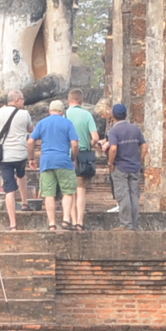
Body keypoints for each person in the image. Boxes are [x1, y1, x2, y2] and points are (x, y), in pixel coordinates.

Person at [31, 96, 80, 231]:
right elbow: (75, 144)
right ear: (62, 111)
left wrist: (31, 158)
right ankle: (66, 220)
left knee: (48, 193)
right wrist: (73, 158)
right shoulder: (67, 123)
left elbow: (30, 141)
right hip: (63, 160)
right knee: (68, 192)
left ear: (49, 111)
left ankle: (52, 223)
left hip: (46, 160)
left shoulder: (42, 123)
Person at [0, 89, 33, 231]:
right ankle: (24, 202)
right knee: (21, 174)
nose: (24, 102)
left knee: (9, 188)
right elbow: (31, 129)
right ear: (17, 100)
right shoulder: (24, 114)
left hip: (4, 156)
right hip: (20, 154)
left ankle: (13, 224)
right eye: (23, 99)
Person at [102, 102, 145, 230]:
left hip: (120, 166)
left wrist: (110, 162)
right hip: (134, 166)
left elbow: (113, 148)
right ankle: (134, 224)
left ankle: (126, 225)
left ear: (113, 116)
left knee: (123, 195)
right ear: (126, 115)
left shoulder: (114, 130)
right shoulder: (135, 129)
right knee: (134, 196)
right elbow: (144, 146)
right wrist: (139, 160)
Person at [63, 89, 100, 228]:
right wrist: (88, 145)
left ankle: (71, 220)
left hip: (68, 155)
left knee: (70, 191)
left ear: (69, 100)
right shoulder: (87, 115)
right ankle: (80, 221)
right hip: (83, 155)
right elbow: (95, 137)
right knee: (81, 190)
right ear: (81, 101)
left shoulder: (65, 114)